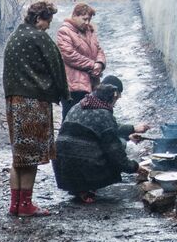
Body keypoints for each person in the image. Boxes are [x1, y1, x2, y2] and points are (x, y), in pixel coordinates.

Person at [2, 0, 70, 216]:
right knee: (30, 157)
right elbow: (57, 66)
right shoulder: (39, 37)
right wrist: (63, 94)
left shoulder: (14, 37)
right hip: (33, 104)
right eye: (47, 21)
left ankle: (15, 205)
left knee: (18, 157)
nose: (48, 26)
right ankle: (26, 206)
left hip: (13, 103)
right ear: (39, 18)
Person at [53, 75, 151, 204]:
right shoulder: (103, 114)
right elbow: (115, 153)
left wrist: (129, 133)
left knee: (116, 142)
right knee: (119, 146)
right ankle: (86, 187)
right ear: (114, 96)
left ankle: (77, 187)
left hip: (62, 169)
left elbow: (104, 130)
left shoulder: (82, 104)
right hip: (81, 165)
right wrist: (135, 167)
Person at [55, 2, 105, 122]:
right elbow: (69, 55)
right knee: (70, 119)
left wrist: (100, 64)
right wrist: (93, 65)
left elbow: (99, 49)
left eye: (89, 19)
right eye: (84, 19)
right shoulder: (64, 31)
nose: (87, 22)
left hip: (90, 83)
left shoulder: (89, 31)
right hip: (72, 86)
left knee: (88, 119)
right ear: (75, 16)